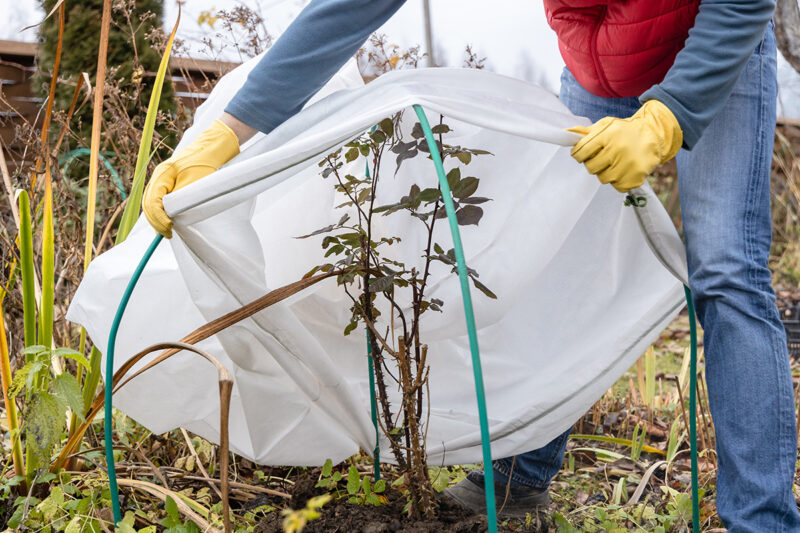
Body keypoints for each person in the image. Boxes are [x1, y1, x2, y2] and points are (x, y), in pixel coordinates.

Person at [143, 1, 800, 530]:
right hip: (598, 67)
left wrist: (669, 117)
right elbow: (349, 9)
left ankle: (761, 518)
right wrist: (226, 133)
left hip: (715, 48)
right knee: (555, 260)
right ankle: (517, 478)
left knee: (726, 273)